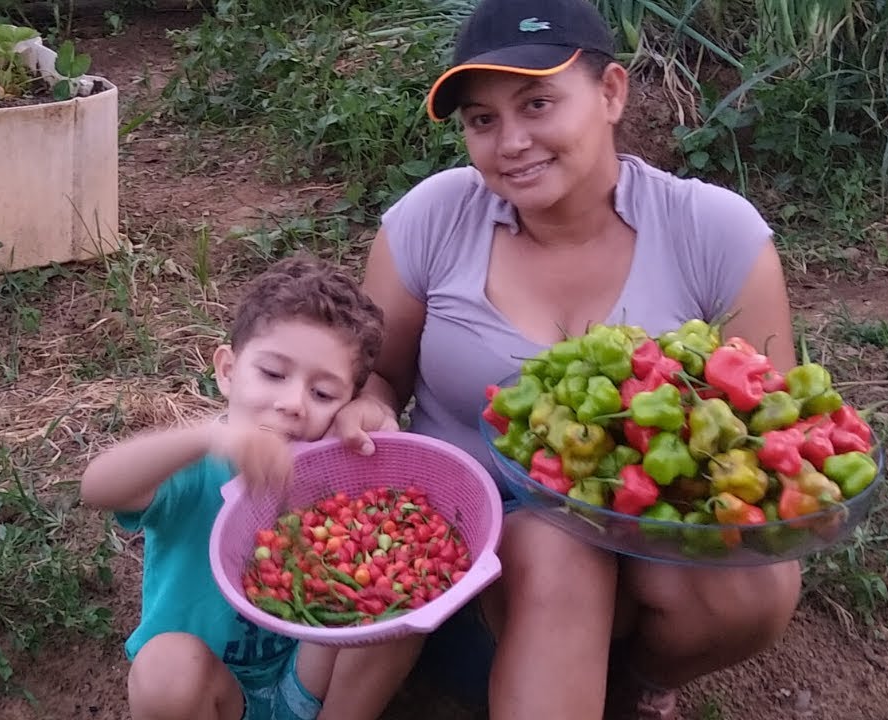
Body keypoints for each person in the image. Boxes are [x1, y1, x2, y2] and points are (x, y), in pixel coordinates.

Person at [329, 0, 804, 717]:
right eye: (482, 120)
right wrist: (368, 405)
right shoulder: (434, 217)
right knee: (557, 546)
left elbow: (772, 428)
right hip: (458, 542)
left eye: (537, 103)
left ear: (611, 92)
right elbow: (381, 374)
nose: (512, 142)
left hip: (644, 536)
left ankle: (631, 678)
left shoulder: (712, 232)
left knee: (756, 585)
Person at [80, 255, 423, 720]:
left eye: (323, 394)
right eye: (273, 374)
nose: (292, 403)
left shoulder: (337, 472)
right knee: (164, 668)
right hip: (213, 688)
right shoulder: (200, 467)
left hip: (306, 677)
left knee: (402, 601)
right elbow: (97, 487)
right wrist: (205, 439)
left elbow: (397, 513)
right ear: (227, 371)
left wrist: (373, 421)